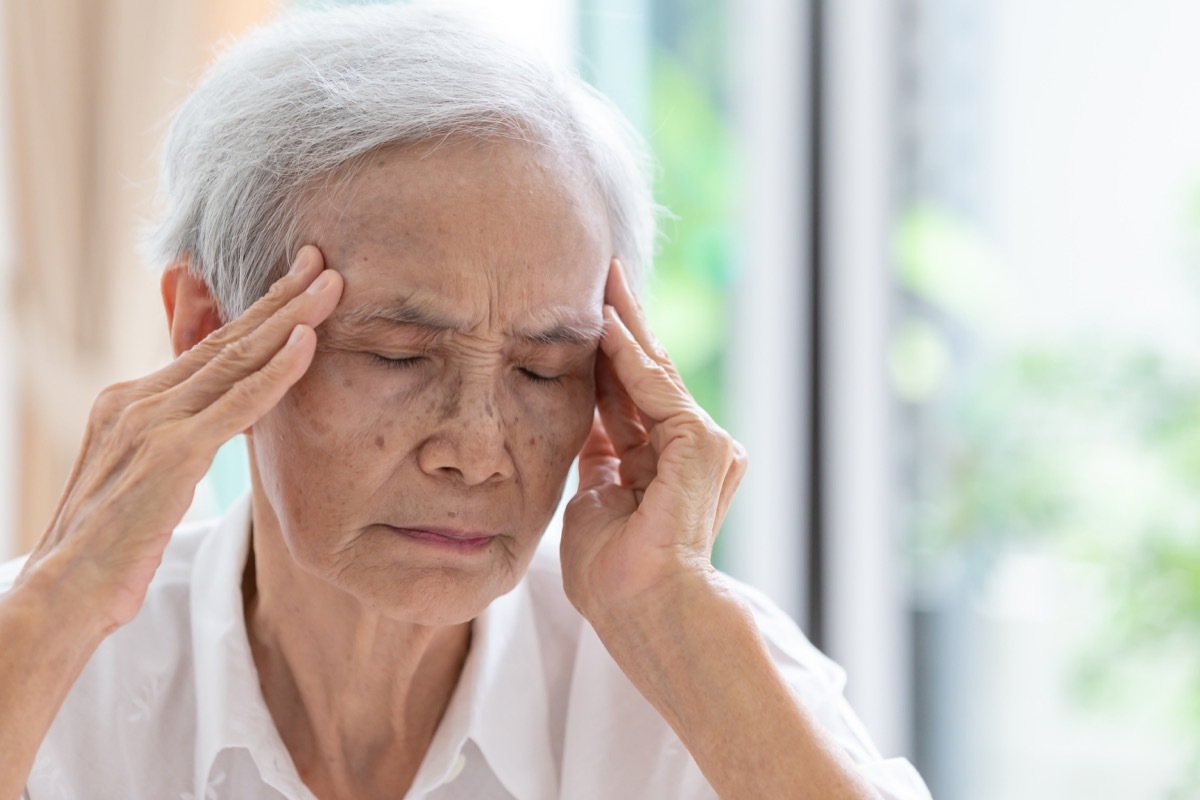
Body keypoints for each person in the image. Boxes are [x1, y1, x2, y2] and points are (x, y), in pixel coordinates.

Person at [0, 5, 931, 799]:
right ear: (210, 328)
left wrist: (680, 625)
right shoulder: (48, 654)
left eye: (543, 369)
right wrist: (50, 620)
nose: (478, 452)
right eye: (399, 354)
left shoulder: (697, 665)